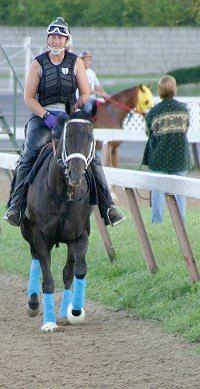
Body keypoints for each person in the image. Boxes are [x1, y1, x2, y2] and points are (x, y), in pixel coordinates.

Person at [3, 17, 125, 228]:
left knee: (91, 157)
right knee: (28, 155)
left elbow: (86, 92)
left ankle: (108, 207)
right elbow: (28, 97)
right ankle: (16, 206)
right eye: (52, 36)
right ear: (48, 39)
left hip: (69, 116)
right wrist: (46, 116)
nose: (56, 40)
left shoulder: (76, 61)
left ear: (67, 40)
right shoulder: (37, 63)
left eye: (60, 37)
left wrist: (76, 106)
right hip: (42, 117)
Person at [142, 75, 192, 224]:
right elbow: (186, 128)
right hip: (180, 158)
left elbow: (148, 132)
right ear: (174, 90)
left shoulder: (153, 112)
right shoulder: (184, 110)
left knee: (157, 192)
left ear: (160, 90)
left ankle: (157, 222)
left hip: (158, 159)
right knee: (180, 192)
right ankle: (180, 222)